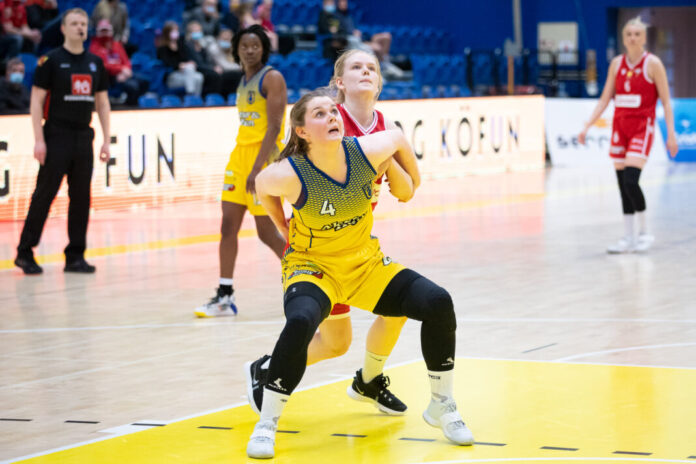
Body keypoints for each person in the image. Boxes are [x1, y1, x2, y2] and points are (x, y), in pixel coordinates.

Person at [245, 89, 473, 459]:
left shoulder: (364, 151)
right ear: (302, 132)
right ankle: (267, 423)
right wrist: (282, 226)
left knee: (437, 301)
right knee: (301, 322)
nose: (332, 117)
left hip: (365, 264)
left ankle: (442, 405)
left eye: (333, 111)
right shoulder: (290, 173)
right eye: (320, 114)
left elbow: (398, 137)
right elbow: (260, 186)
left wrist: (413, 180)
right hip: (313, 267)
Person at [245, 49, 418, 417]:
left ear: (380, 82)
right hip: (320, 251)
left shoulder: (384, 126)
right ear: (340, 82)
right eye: (356, 67)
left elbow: (405, 190)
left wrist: (395, 163)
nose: (366, 72)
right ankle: (269, 369)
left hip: (357, 244)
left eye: (372, 67)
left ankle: (369, 380)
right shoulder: (324, 122)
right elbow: (274, 178)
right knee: (336, 343)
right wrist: (282, 225)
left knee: (398, 307)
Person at [194, 25, 287, 317]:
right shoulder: (242, 78)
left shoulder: (272, 78)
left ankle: (307, 278)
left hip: (264, 160)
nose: (249, 51)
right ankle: (225, 295)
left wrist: (258, 168)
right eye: (244, 46)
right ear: (236, 49)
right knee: (227, 226)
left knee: (266, 233)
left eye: (255, 46)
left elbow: (274, 126)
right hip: (239, 158)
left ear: (264, 49)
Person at [14, 8, 110, 275]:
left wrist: (106, 139)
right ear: (63, 28)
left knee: (81, 198)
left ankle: (75, 255)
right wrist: (39, 139)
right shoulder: (51, 61)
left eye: (84, 23)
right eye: (75, 23)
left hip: (84, 136)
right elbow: (36, 101)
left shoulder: (95, 63)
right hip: (57, 134)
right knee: (44, 195)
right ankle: (25, 252)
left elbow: (102, 103)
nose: (80, 27)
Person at [578, 16, 678, 254]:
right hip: (620, 128)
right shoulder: (616, 64)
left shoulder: (653, 64)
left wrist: (671, 134)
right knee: (622, 184)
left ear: (644, 38)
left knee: (632, 181)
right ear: (623, 39)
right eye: (628, 34)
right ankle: (627, 237)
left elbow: (666, 101)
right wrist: (587, 126)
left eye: (637, 34)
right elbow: (605, 99)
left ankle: (644, 232)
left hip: (642, 127)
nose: (633, 38)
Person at [88, 18, 147, 107]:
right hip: (108, 76)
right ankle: (129, 107)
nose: (105, 33)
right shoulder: (94, 47)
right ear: (98, 32)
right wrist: (121, 69)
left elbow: (126, 60)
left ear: (111, 31)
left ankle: (133, 104)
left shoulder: (116, 44)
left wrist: (126, 70)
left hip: (122, 74)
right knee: (133, 87)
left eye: (107, 30)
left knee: (145, 81)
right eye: (102, 31)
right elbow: (102, 65)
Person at [156, 21, 204, 96]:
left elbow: (186, 58)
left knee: (199, 77)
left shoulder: (181, 45)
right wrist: (179, 66)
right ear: (167, 33)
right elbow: (166, 62)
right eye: (173, 31)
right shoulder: (162, 48)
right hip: (172, 75)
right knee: (189, 69)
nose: (176, 33)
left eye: (177, 30)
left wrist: (189, 62)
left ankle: (196, 98)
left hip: (185, 73)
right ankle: (190, 94)